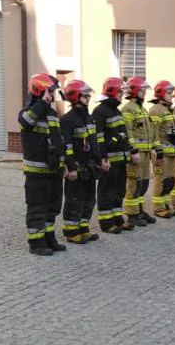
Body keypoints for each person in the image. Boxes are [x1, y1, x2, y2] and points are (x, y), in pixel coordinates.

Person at [19, 73, 66, 256]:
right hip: (36, 172)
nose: (53, 95)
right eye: (50, 91)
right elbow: (26, 122)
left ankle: (48, 238)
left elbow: (58, 141)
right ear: (41, 90)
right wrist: (42, 103)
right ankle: (36, 242)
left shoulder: (52, 115)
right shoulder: (28, 112)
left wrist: (64, 164)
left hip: (53, 170)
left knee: (52, 207)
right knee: (37, 207)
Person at [60, 80, 106, 243]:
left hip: (90, 167)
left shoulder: (89, 118)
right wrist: (71, 167)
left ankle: (83, 228)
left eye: (88, 95)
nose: (88, 98)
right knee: (75, 199)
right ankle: (71, 232)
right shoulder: (67, 120)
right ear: (75, 96)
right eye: (85, 95)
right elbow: (67, 146)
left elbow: (94, 143)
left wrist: (100, 161)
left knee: (89, 200)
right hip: (77, 168)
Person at [92, 77, 134, 234]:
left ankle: (117, 219)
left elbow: (123, 134)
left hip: (120, 159)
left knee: (119, 190)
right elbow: (98, 138)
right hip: (109, 160)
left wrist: (128, 154)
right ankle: (106, 222)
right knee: (106, 191)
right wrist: (103, 158)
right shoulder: (100, 111)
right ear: (112, 91)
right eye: (120, 92)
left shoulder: (116, 110)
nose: (122, 95)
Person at [121, 76, 157, 226]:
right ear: (135, 91)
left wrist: (153, 148)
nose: (145, 93)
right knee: (134, 183)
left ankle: (140, 210)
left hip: (145, 153)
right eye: (142, 90)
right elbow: (127, 131)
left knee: (143, 183)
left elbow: (149, 131)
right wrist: (133, 150)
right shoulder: (128, 108)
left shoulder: (142, 108)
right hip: (136, 154)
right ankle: (132, 214)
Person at [149, 80, 175, 219]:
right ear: (161, 94)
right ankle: (158, 208)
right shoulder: (156, 110)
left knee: (169, 180)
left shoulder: (170, 110)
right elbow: (154, 132)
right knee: (161, 180)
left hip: (171, 153)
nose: (172, 95)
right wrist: (158, 151)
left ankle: (166, 205)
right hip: (162, 153)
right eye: (169, 93)